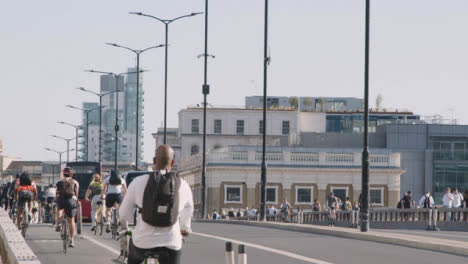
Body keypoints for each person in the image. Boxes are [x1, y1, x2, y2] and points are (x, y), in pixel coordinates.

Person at [120, 145, 194, 264]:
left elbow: (124, 214)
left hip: (142, 243)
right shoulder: (183, 185)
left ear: (154, 161)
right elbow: (189, 208)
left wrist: (126, 223)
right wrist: (184, 227)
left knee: (133, 255)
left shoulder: (137, 182)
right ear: (173, 162)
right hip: (171, 244)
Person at [55, 167, 79, 248]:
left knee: (59, 209)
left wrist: (57, 200)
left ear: (63, 174)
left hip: (61, 199)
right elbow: (76, 194)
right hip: (70, 200)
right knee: (71, 221)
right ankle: (72, 240)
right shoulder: (75, 182)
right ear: (71, 174)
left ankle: (58, 221)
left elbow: (57, 193)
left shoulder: (59, 181)